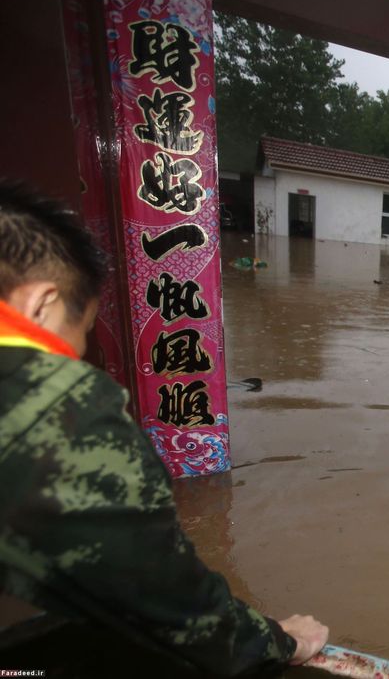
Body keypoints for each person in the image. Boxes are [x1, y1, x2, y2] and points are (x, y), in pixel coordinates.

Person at [0, 182, 328, 675]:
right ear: (41, 305)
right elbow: (169, 600)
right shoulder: (62, 409)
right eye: (81, 331)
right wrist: (281, 642)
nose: (77, 353)